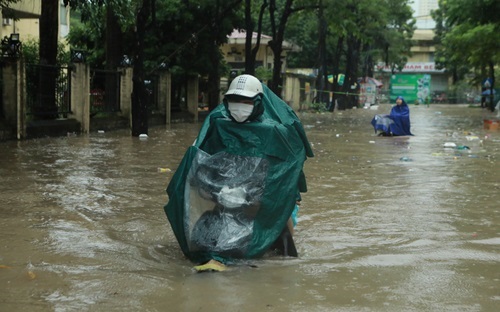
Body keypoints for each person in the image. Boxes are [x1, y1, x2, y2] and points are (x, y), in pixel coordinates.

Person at [163, 74, 314, 271]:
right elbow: (202, 161)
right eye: (235, 101)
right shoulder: (218, 124)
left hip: (263, 197)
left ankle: (287, 266)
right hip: (224, 194)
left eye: (246, 101)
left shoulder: (275, 131)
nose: (239, 106)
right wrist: (214, 188)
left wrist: (277, 195)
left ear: (257, 102)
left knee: (281, 232)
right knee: (206, 232)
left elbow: (286, 170)